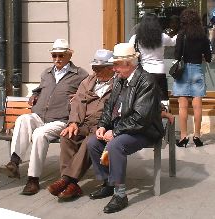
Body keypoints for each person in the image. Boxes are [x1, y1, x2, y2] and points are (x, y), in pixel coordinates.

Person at [0, 39, 88, 195]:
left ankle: (33, 179)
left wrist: (80, 95)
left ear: (68, 55)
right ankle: (14, 163)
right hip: (41, 115)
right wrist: (34, 94)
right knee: (23, 119)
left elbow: (89, 90)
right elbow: (39, 89)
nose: (57, 59)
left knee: (39, 134)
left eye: (61, 55)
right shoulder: (46, 73)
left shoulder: (80, 74)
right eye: (54, 55)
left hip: (61, 120)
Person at [87, 43, 164, 214]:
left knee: (116, 145)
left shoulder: (146, 81)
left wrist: (114, 132)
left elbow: (141, 118)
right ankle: (108, 183)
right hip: (125, 127)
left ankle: (120, 194)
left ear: (128, 64)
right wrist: (102, 126)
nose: (113, 69)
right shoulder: (120, 80)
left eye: (116, 64)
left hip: (145, 130)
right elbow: (109, 107)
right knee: (93, 142)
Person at [47, 49, 115, 200]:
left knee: (88, 142)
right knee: (67, 136)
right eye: (93, 68)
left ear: (111, 68)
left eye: (98, 68)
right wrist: (73, 123)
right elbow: (77, 102)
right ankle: (70, 183)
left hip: (103, 126)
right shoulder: (88, 81)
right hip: (84, 123)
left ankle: (67, 180)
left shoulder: (118, 84)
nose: (95, 71)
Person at [172, 9, 211, 148]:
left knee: (183, 106)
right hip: (197, 70)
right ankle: (197, 136)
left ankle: (183, 137)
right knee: (198, 105)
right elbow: (208, 56)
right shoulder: (202, 35)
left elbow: (176, 55)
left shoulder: (181, 35)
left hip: (183, 71)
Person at [129, 13, 176, 124]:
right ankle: (163, 126)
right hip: (160, 71)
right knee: (163, 100)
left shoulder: (136, 38)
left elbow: (129, 50)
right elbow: (173, 42)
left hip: (144, 72)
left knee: (144, 100)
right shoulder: (162, 37)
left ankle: (146, 125)